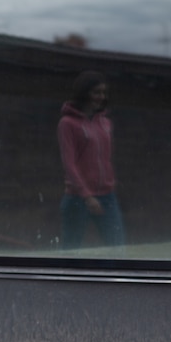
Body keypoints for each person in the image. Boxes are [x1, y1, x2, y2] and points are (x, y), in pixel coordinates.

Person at [57, 70, 125, 250]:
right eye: (96, 92)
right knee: (71, 250)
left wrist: (110, 183)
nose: (101, 97)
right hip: (78, 198)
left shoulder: (105, 123)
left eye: (104, 93)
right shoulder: (67, 123)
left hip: (107, 196)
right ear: (84, 93)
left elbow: (106, 158)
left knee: (117, 248)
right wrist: (87, 196)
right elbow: (69, 163)